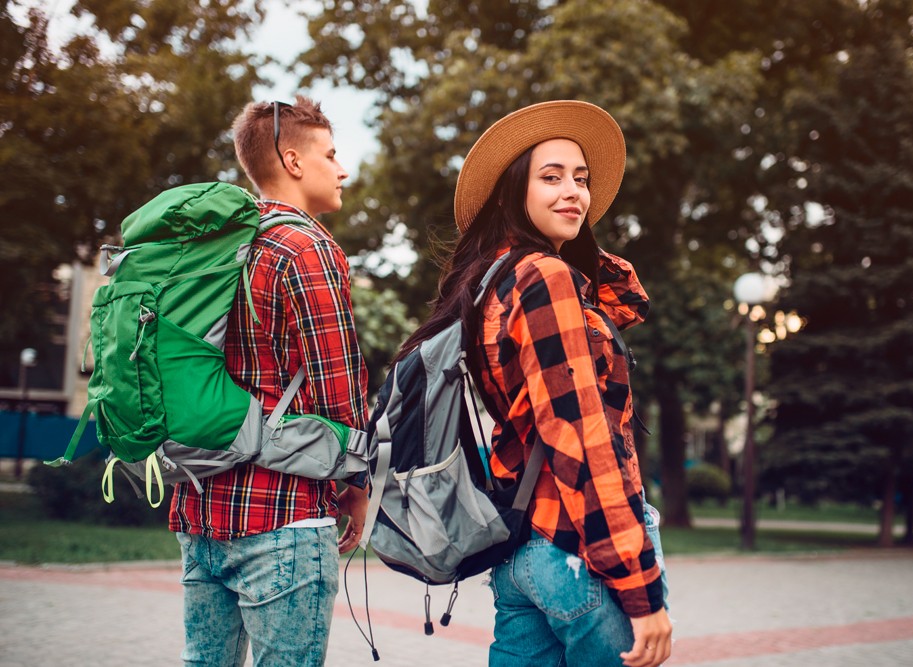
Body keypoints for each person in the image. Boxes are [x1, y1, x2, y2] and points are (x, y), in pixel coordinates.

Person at [397, 100, 672, 666]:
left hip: (518, 554)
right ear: (511, 192)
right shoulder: (544, 278)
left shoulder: (489, 283)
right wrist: (641, 589)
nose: (573, 191)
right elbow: (582, 435)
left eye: (581, 179)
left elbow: (617, 307)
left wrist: (582, 256)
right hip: (580, 552)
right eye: (551, 177)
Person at [168, 96, 369, 666]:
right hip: (282, 514)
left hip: (201, 512)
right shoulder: (307, 248)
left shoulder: (213, 246)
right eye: (331, 154)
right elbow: (339, 385)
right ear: (293, 160)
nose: (342, 168)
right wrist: (355, 482)